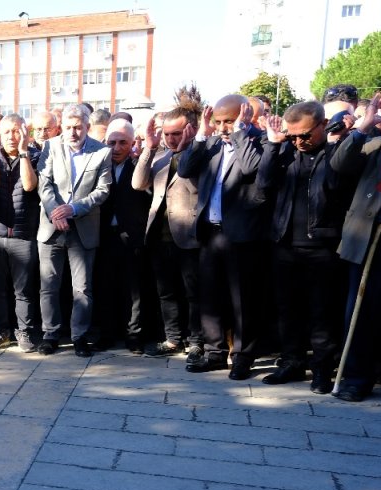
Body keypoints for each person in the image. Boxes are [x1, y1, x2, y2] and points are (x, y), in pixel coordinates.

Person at [256, 101, 349, 393]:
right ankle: (291, 362)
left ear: (323, 125)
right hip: (284, 244)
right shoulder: (286, 151)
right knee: (287, 310)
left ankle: (322, 369)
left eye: (305, 135)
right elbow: (263, 184)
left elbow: (335, 186)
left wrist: (335, 145)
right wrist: (273, 145)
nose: (299, 141)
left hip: (322, 247)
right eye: (293, 135)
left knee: (321, 313)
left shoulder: (335, 152)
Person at [178, 95, 266, 380]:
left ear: (246, 116)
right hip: (210, 232)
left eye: (230, 121)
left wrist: (240, 134)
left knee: (243, 300)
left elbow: (252, 169)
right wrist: (202, 134)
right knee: (210, 297)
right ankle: (214, 352)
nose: (224, 127)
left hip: (241, 236)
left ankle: (242, 356)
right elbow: (184, 169)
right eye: (219, 121)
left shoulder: (260, 141)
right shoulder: (212, 143)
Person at [328, 92, 381, 402]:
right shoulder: (374, 143)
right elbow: (339, 164)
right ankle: (357, 379)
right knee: (362, 312)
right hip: (372, 238)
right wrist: (362, 127)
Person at [36, 104, 113, 357]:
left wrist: (74, 208)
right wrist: (54, 210)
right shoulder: (50, 146)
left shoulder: (102, 152)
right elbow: (44, 183)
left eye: (77, 127)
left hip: (83, 227)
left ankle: (79, 336)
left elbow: (102, 190)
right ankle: (50, 334)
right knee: (49, 285)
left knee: (82, 287)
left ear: (87, 127)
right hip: (51, 228)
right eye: (68, 127)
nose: (72, 132)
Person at [134, 98, 204, 363]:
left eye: (177, 133)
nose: (172, 139)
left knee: (193, 293)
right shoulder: (160, 156)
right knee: (167, 292)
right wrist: (149, 149)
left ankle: (196, 341)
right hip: (159, 236)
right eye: (167, 134)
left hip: (189, 236)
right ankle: (173, 338)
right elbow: (138, 183)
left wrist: (189, 147)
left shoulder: (201, 153)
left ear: (191, 129)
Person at [0, 114, 41, 352]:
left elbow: (29, 186)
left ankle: (24, 333)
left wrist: (24, 152)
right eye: (6, 132)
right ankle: (2, 332)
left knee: (24, 290)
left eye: (16, 131)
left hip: (23, 234)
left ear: (24, 133)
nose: (11, 136)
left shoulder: (35, 156)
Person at [95, 120, 152, 353]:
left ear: (132, 143)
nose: (116, 148)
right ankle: (106, 334)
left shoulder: (140, 165)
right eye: (112, 142)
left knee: (133, 290)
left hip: (132, 236)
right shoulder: (99, 165)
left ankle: (134, 336)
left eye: (122, 143)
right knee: (105, 286)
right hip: (104, 235)